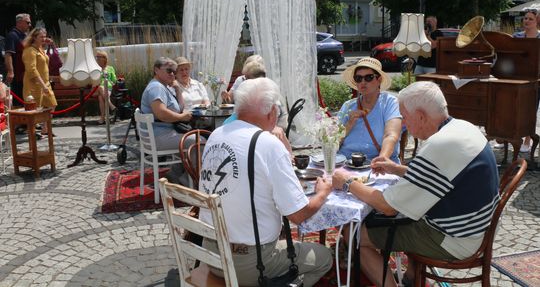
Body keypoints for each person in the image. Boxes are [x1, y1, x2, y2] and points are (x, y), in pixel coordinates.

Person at [332, 81, 499, 287]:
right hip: (475, 228)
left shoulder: (438, 146)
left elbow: (388, 207)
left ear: (421, 116)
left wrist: (347, 182)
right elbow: (440, 175)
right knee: (400, 215)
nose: (403, 124)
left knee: (354, 234)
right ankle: (411, 277)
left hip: (454, 239)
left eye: (405, 117)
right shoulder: (462, 128)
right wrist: (396, 168)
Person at [199, 78, 333, 286]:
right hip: (250, 264)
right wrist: (323, 193)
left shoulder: (216, 135)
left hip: (210, 252)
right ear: (272, 112)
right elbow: (297, 215)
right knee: (324, 257)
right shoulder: (267, 144)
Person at [338, 57, 402, 163]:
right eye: (358, 78)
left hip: (376, 160)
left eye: (369, 77)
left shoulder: (390, 102)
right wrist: (349, 124)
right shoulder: (348, 105)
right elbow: (333, 141)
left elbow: (391, 135)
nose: (363, 82)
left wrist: (382, 159)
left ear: (379, 80)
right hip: (346, 161)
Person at [140, 57, 192, 151]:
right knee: (200, 140)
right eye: (169, 71)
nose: (172, 74)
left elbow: (179, 108)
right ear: (156, 70)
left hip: (162, 134)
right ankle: (197, 166)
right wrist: (182, 117)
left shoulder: (162, 87)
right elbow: (162, 114)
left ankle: (182, 165)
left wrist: (177, 89)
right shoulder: (156, 87)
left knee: (195, 136)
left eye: (174, 71)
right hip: (160, 136)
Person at [513, 9, 540, 153]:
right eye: (525, 18)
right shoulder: (516, 37)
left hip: (536, 79)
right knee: (516, 109)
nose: (527, 21)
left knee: (531, 109)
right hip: (519, 78)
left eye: (530, 19)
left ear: (537, 22)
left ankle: (528, 139)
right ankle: (512, 136)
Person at [22, 27, 57, 135]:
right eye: (41, 37)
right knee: (35, 109)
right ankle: (31, 132)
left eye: (44, 36)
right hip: (34, 84)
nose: (43, 38)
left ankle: (45, 129)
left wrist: (51, 43)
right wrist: (43, 85)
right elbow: (32, 69)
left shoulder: (40, 49)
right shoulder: (29, 51)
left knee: (52, 104)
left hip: (45, 82)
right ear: (34, 38)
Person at [5, 13, 32, 104]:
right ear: (20, 22)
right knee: (19, 99)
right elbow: (8, 54)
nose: (29, 25)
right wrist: (10, 71)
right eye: (27, 22)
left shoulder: (25, 36)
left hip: (26, 73)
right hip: (18, 75)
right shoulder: (12, 35)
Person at [93, 50, 117, 125]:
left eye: (98, 57)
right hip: (97, 88)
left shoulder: (110, 68)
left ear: (104, 58)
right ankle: (111, 105)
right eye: (96, 57)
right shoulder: (95, 69)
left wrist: (112, 82)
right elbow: (93, 80)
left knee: (101, 98)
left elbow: (114, 79)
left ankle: (103, 118)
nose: (97, 59)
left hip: (108, 87)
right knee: (100, 88)